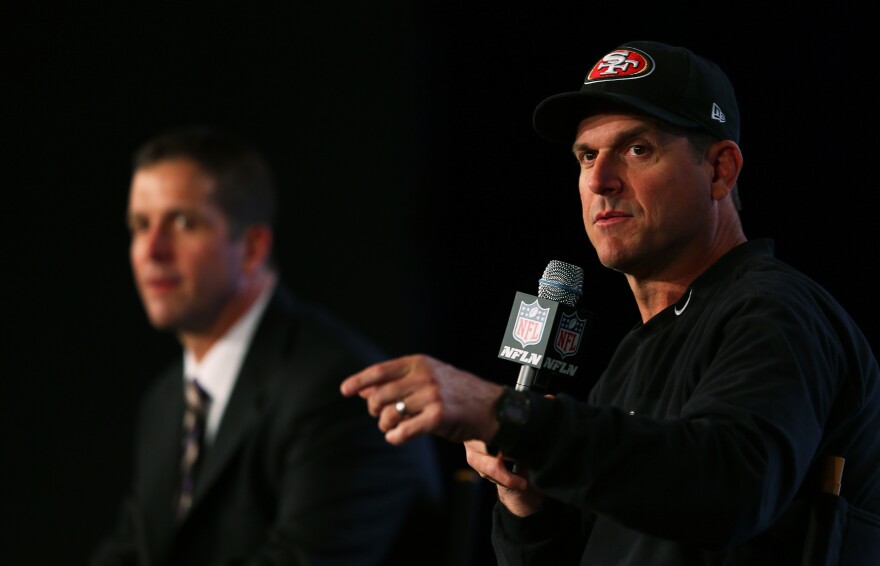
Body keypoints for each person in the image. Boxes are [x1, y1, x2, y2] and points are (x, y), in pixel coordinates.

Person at [340, 40, 880, 564]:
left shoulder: (775, 312)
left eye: (637, 149)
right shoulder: (632, 357)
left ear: (720, 170)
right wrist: (528, 502)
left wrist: (507, 413)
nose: (600, 180)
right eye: (586, 155)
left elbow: (726, 487)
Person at [91, 125, 444, 566]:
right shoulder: (166, 401)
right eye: (140, 225)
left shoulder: (341, 393)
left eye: (183, 222)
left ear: (253, 247)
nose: (151, 250)